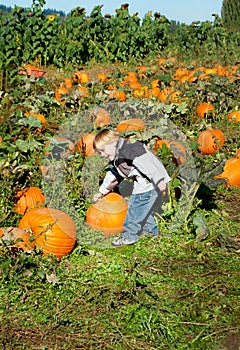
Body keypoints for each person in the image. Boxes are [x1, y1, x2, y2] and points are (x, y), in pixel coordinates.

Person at [92, 128, 171, 246]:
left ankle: (129, 236)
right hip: (147, 185)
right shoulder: (118, 156)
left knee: (134, 211)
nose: (103, 155)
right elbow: (113, 176)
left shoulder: (130, 151)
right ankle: (151, 233)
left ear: (113, 143)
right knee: (145, 210)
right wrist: (102, 192)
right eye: (100, 152)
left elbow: (148, 164)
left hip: (149, 185)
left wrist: (159, 180)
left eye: (103, 150)